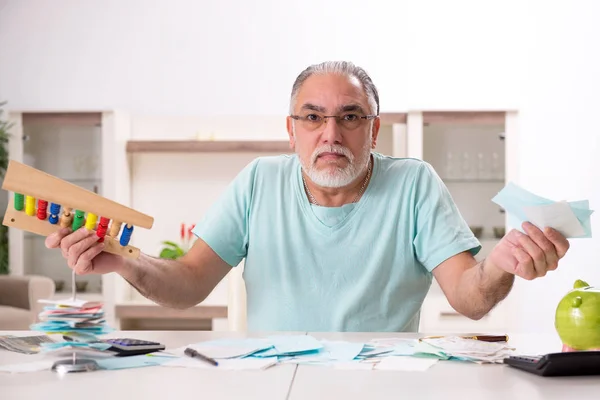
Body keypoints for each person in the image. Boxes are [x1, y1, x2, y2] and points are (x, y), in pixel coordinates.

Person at [45, 61, 570, 332]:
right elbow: (187, 284)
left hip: (382, 385)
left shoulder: (414, 183)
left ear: (374, 130)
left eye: (350, 117)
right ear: (291, 130)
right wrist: (125, 261)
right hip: (273, 380)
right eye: (313, 117)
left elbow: (469, 298)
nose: (331, 134)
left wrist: (500, 263)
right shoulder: (257, 181)